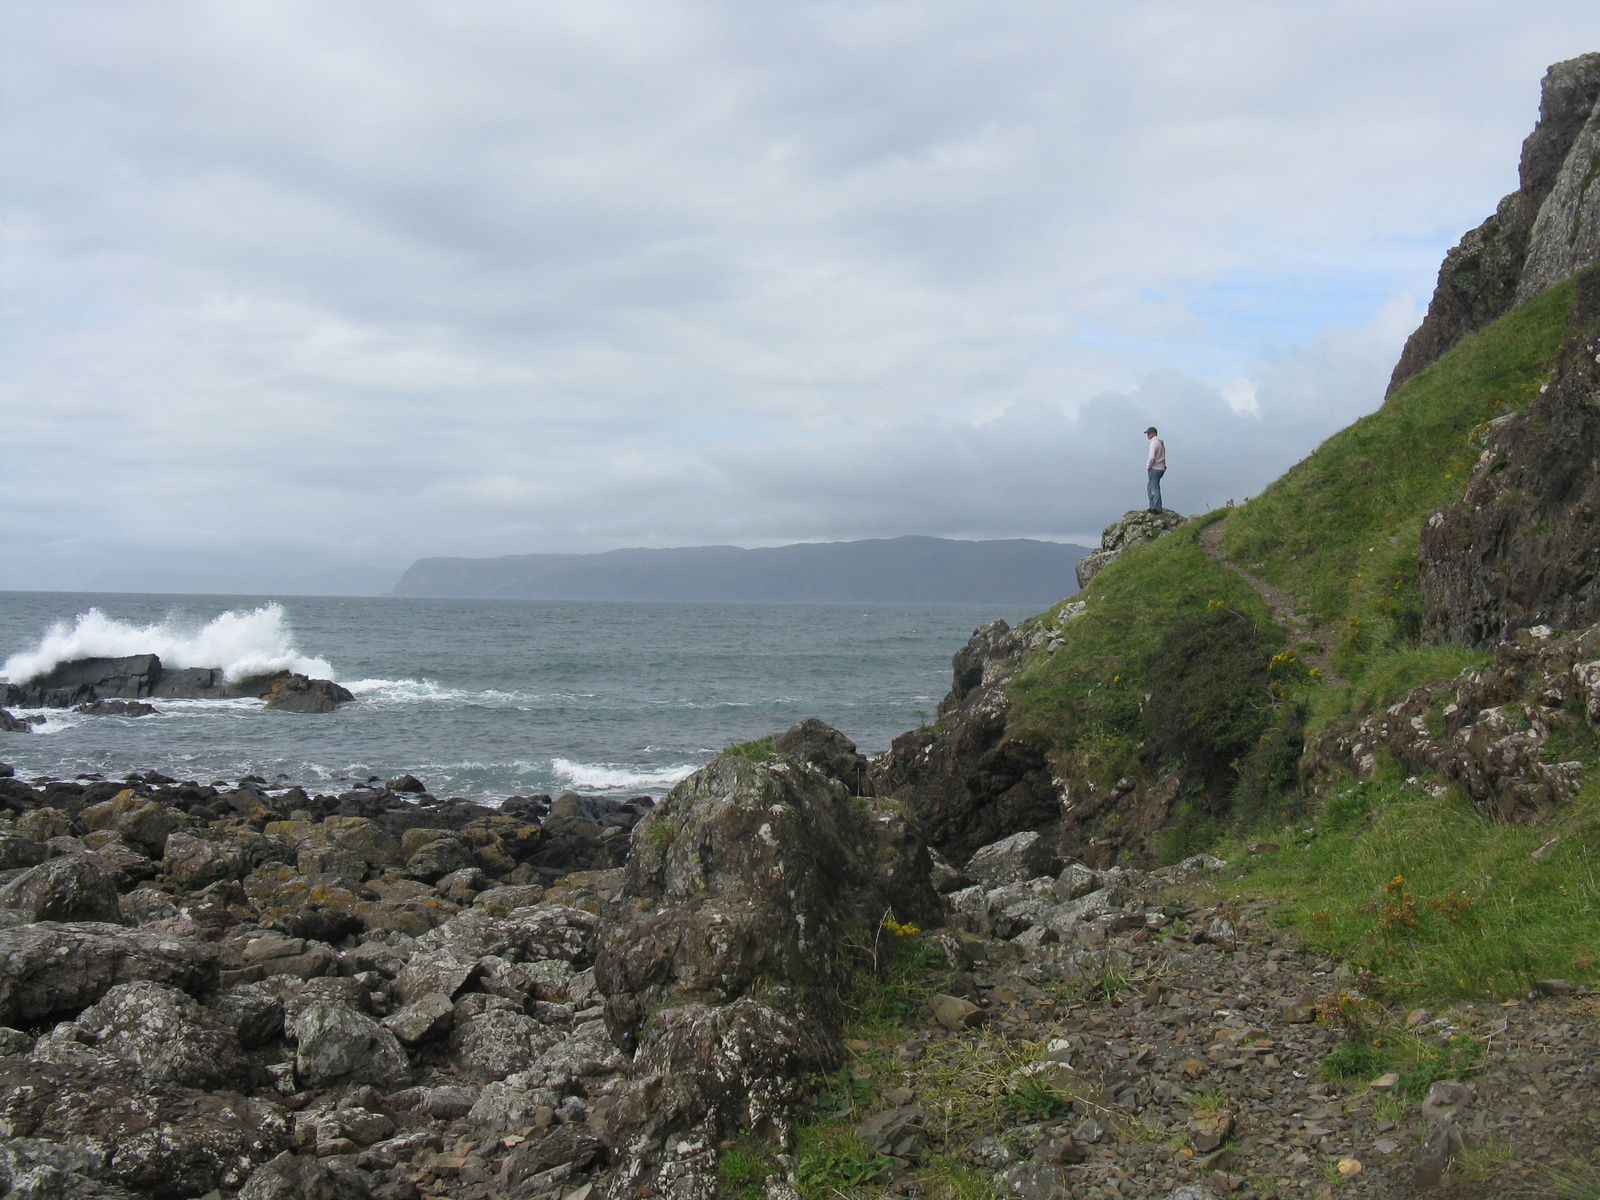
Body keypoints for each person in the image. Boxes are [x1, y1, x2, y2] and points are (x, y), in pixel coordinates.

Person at [1144, 426, 1166, 513]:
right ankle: (1153, 506)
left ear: (1154, 433)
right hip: (1161, 468)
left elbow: (1152, 456)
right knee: (1151, 487)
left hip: (1155, 468)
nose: (1148, 435)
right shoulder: (1160, 443)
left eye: (1149, 433)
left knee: (1154, 488)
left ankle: (1156, 508)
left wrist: (1148, 466)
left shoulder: (1154, 443)